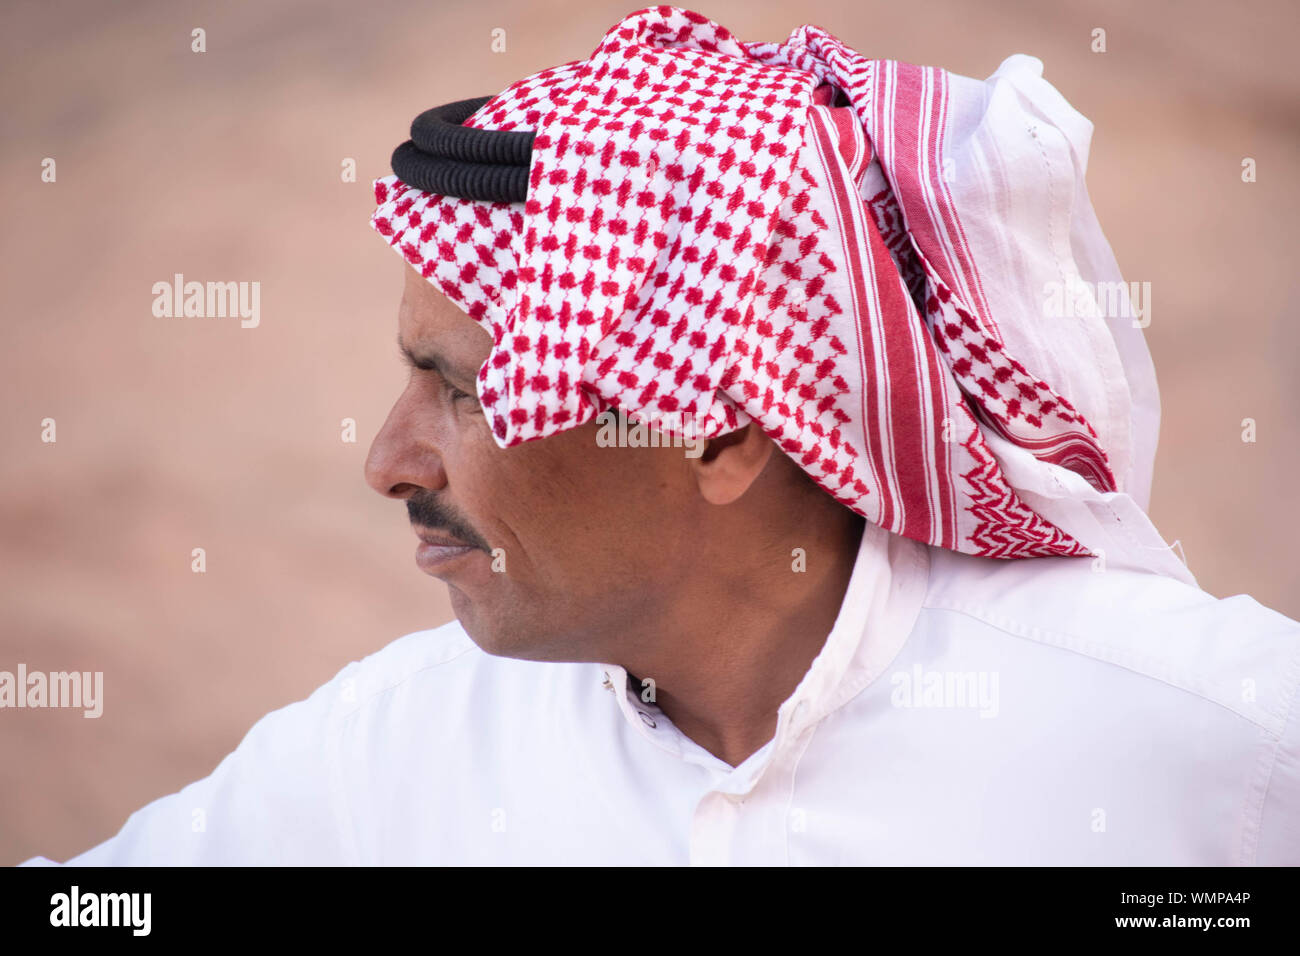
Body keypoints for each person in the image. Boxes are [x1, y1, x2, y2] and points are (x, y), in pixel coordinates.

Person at [23, 6, 1299, 865]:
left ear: (714, 428)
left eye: (461, 389)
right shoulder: (392, 754)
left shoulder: (1203, 738)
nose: (388, 461)